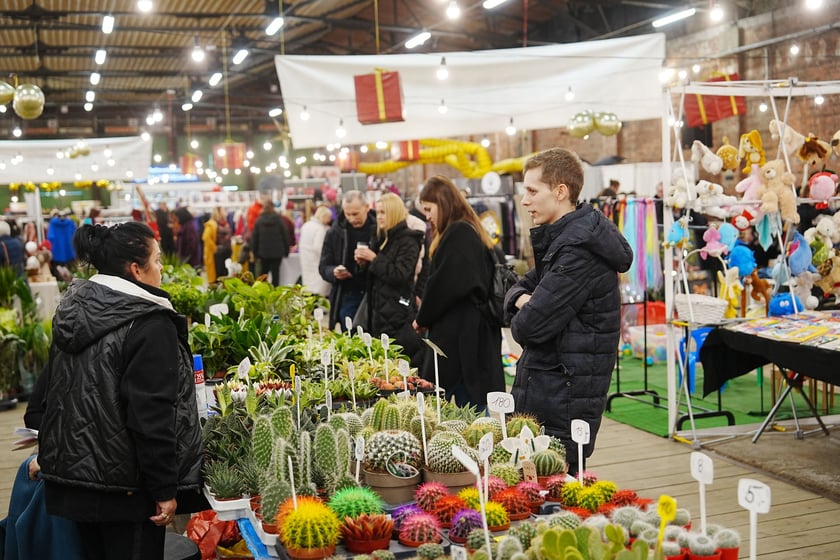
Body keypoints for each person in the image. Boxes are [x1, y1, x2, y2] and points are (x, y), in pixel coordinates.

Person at [34, 221, 204, 559]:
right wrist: (164, 488)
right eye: (157, 261)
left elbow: (45, 393)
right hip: (128, 490)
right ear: (136, 269)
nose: (161, 269)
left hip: (76, 483)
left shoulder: (74, 309)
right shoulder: (148, 323)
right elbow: (150, 413)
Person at [504, 148, 633, 476]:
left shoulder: (579, 253)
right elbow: (518, 290)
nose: (524, 201)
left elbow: (528, 327)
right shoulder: (564, 243)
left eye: (532, 191)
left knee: (556, 489)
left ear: (560, 192)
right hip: (552, 388)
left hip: (562, 397)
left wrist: (524, 304)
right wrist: (522, 299)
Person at [412, 175, 505, 408]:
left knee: (468, 410)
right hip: (468, 337)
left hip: (463, 340)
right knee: (469, 406)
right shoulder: (468, 229)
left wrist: (422, 318)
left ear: (442, 204)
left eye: (429, 209)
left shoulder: (458, 234)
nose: (427, 216)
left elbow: (442, 286)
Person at [354, 193, 425, 365]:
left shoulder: (409, 240)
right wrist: (363, 264)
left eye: (383, 212)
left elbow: (400, 275)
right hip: (378, 314)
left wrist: (374, 259)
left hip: (397, 315)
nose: (379, 217)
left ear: (394, 213)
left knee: (400, 366)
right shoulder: (380, 239)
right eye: (378, 212)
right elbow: (374, 278)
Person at [319, 190, 376, 329]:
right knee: (350, 337)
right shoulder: (334, 232)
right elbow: (323, 266)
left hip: (375, 292)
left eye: (355, 214)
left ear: (367, 207)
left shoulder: (379, 229)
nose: (351, 218)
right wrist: (334, 272)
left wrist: (372, 259)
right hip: (347, 293)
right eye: (347, 214)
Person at [251, 202, 291, 286]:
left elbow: (255, 238)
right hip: (277, 253)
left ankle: (262, 293)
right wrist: (287, 251)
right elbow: (285, 235)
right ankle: (275, 294)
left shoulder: (259, 221)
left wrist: (255, 253)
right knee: (275, 274)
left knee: (263, 275)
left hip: (263, 253)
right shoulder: (279, 220)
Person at [298, 206, 332, 296]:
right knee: (319, 293)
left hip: (306, 261)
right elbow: (319, 248)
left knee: (308, 290)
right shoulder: (320, 229)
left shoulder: (306, 225)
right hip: (316, 263)